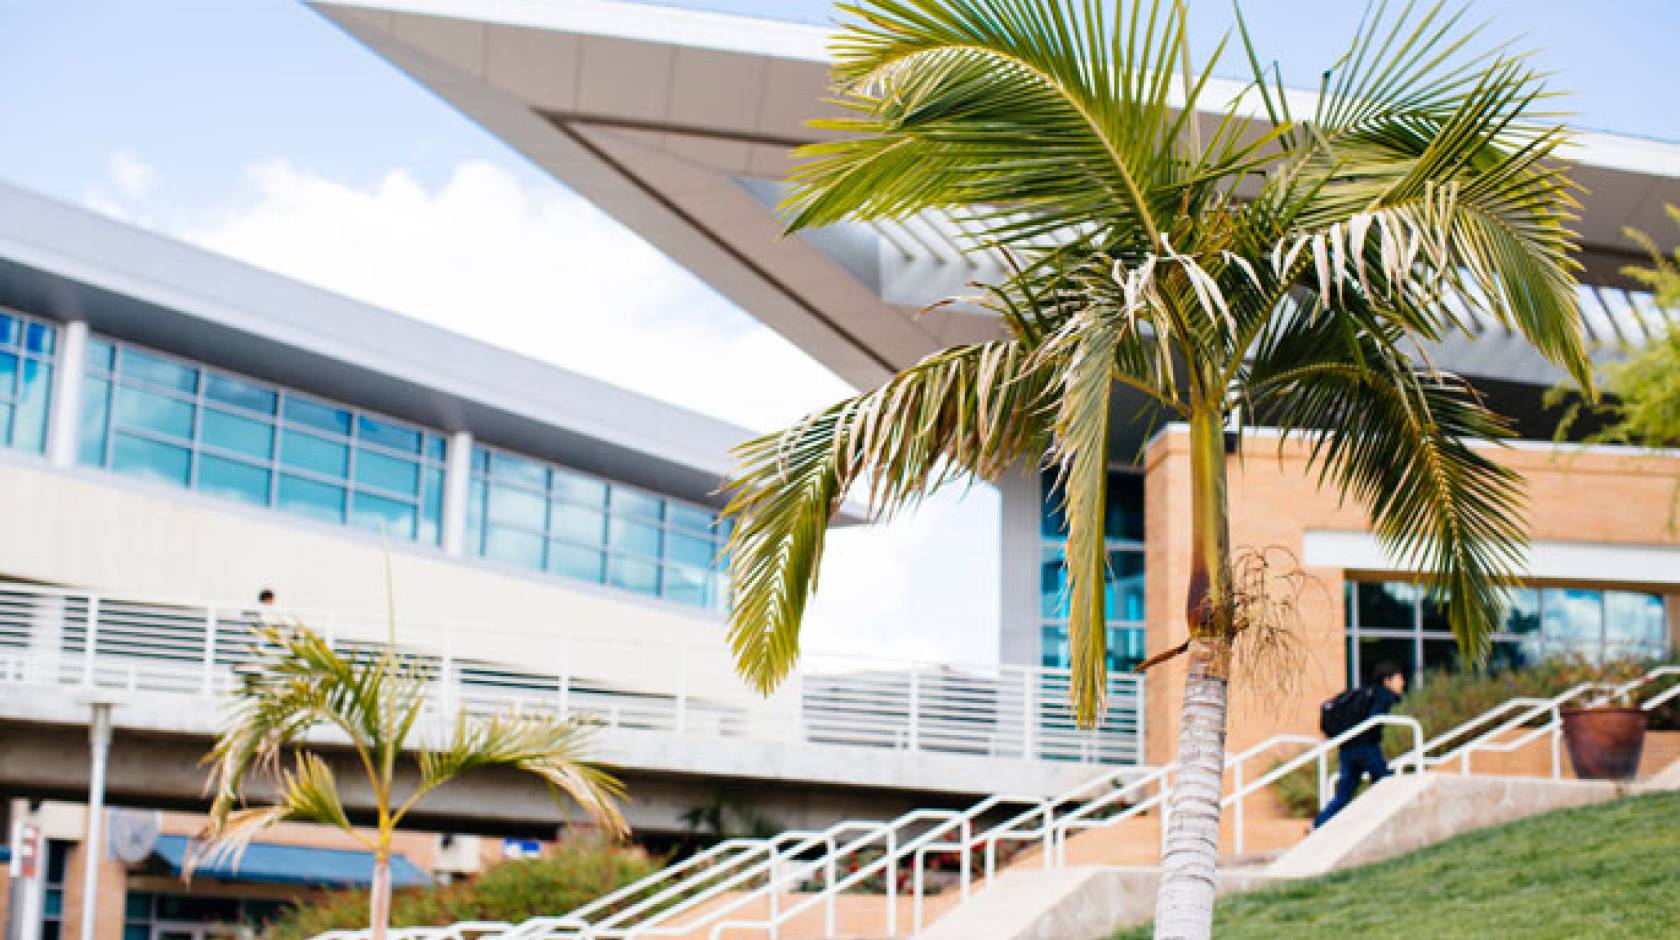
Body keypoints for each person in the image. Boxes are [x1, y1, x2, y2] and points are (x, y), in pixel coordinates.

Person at [1313, 661, 1406, 828]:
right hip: (1366, 747)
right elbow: (1374, 720)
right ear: (1387, 680)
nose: (1403, 683)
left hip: (1347, 749)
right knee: (1386, 783)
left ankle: (1320, 823)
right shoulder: (1382, 695)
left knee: (1344, 793)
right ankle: (1381, 822)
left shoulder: (1365, 692)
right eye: (1399, 678)